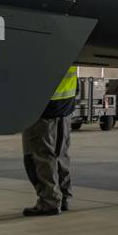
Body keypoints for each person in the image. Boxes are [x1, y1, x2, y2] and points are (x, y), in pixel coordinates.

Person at [21, 64, 78, 216]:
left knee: (39, 156)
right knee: (61, 155)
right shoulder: (69, 44)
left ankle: (49, 202)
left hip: (42, 107)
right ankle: (63, 198)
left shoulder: (39, 43)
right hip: (65, 105)